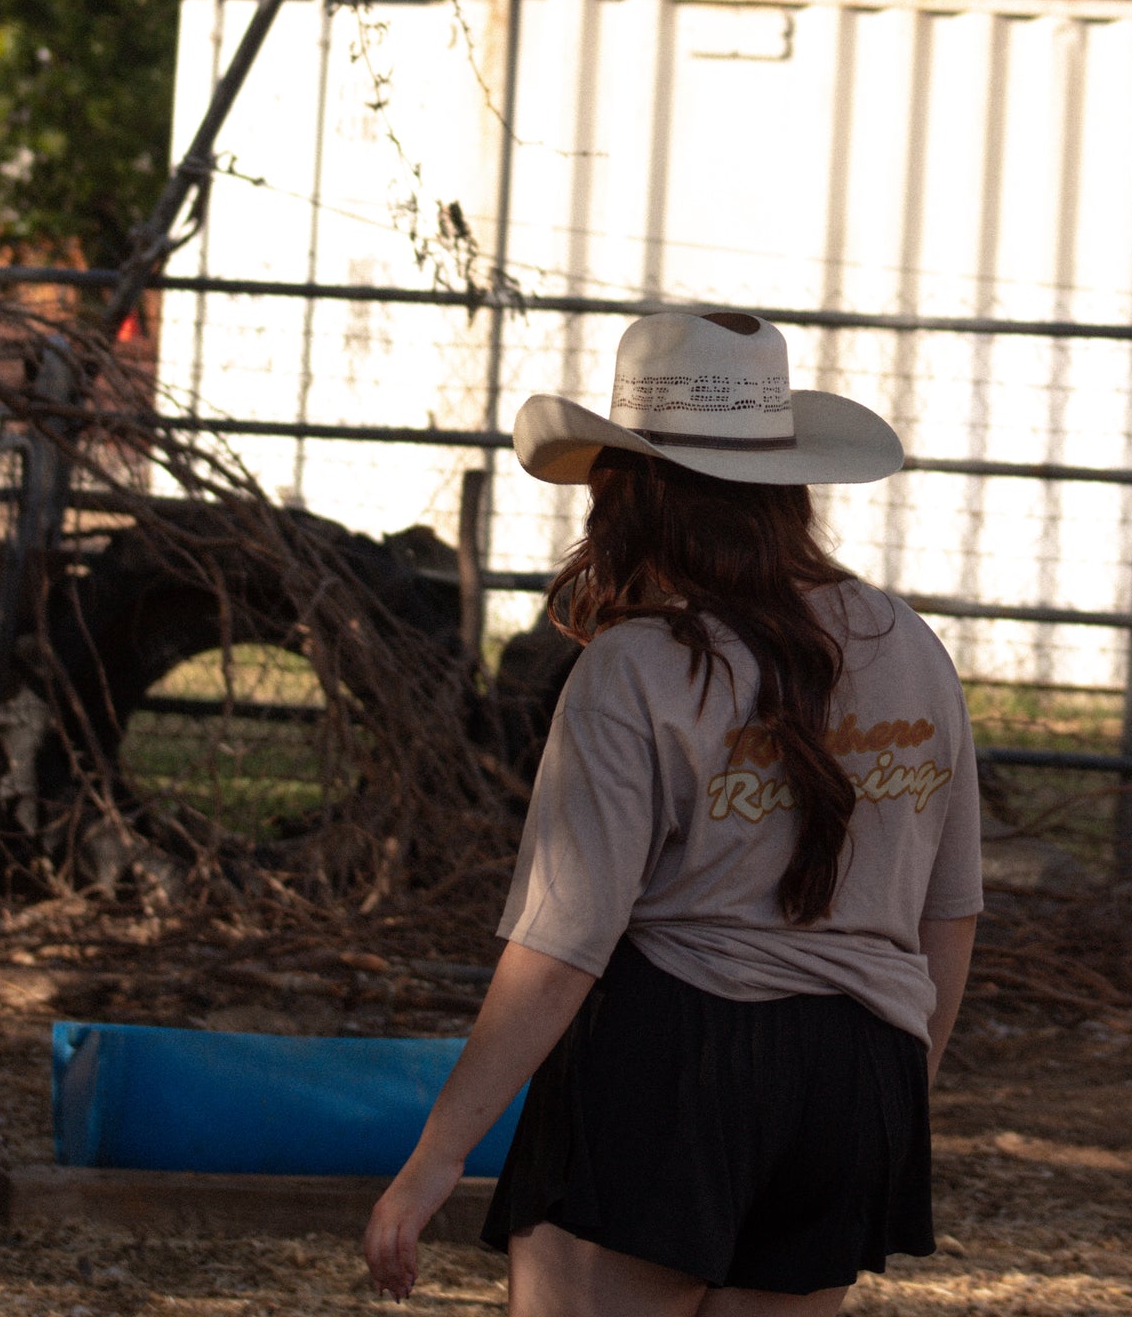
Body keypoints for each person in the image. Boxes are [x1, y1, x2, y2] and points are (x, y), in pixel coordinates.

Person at [366, 308, 982, 1315]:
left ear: (624, 488)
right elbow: (946, 916)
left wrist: (435, 1156)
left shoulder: (635, 665)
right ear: (784, 482)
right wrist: (894, 1091)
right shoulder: (907, 643)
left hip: (674, 1059)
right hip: (859, 1069)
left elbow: (562, 942)